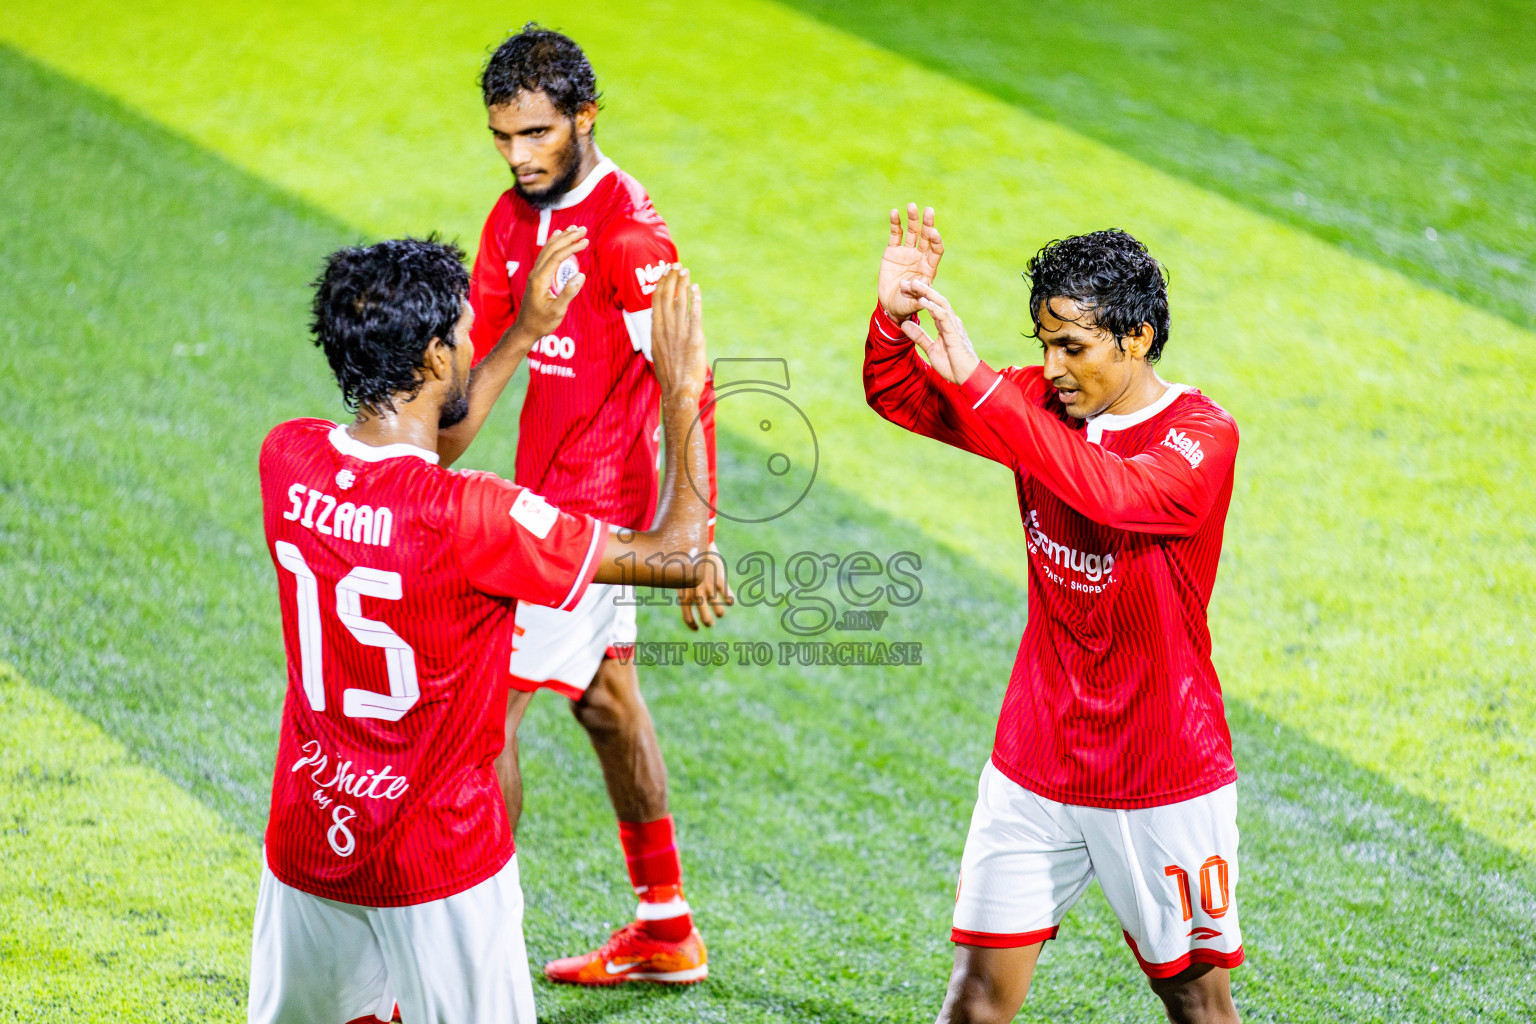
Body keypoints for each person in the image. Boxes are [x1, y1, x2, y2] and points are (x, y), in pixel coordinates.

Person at [248, 230, 714, 1023]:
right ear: (431, 358)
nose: (472, 341)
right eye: (464, 331)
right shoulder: (475, 517)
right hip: (439, 864)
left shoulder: (286, 459)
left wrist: (526, 331)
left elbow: (418, 444)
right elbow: (677, 553)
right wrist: (681, 388)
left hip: (307, 845)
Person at [864, 205, 1244, 1024]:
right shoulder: (1035, 402)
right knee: (974, 1001)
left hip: (1157, 766)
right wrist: (894, 320)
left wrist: (993, 396)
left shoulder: (1201, 438)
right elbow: (898, 395)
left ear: (1137, 338)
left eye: (1072, 346)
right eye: (1044, 344)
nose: (1053, 365)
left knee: (1196, 1003)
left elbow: (1111, 490)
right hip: (1036, 755)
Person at [465, 24, 727, 986]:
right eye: (503, 136)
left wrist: (698, 533)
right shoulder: (510, 218)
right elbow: (479, 369)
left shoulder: (627, 237)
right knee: (610, 706)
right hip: (542, 502)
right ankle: (666, 927)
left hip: (586, 524)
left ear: (586, 116)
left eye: (537, 133)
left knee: (480, 724)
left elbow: (686, 375)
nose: (520, 155)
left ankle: (470, 950)